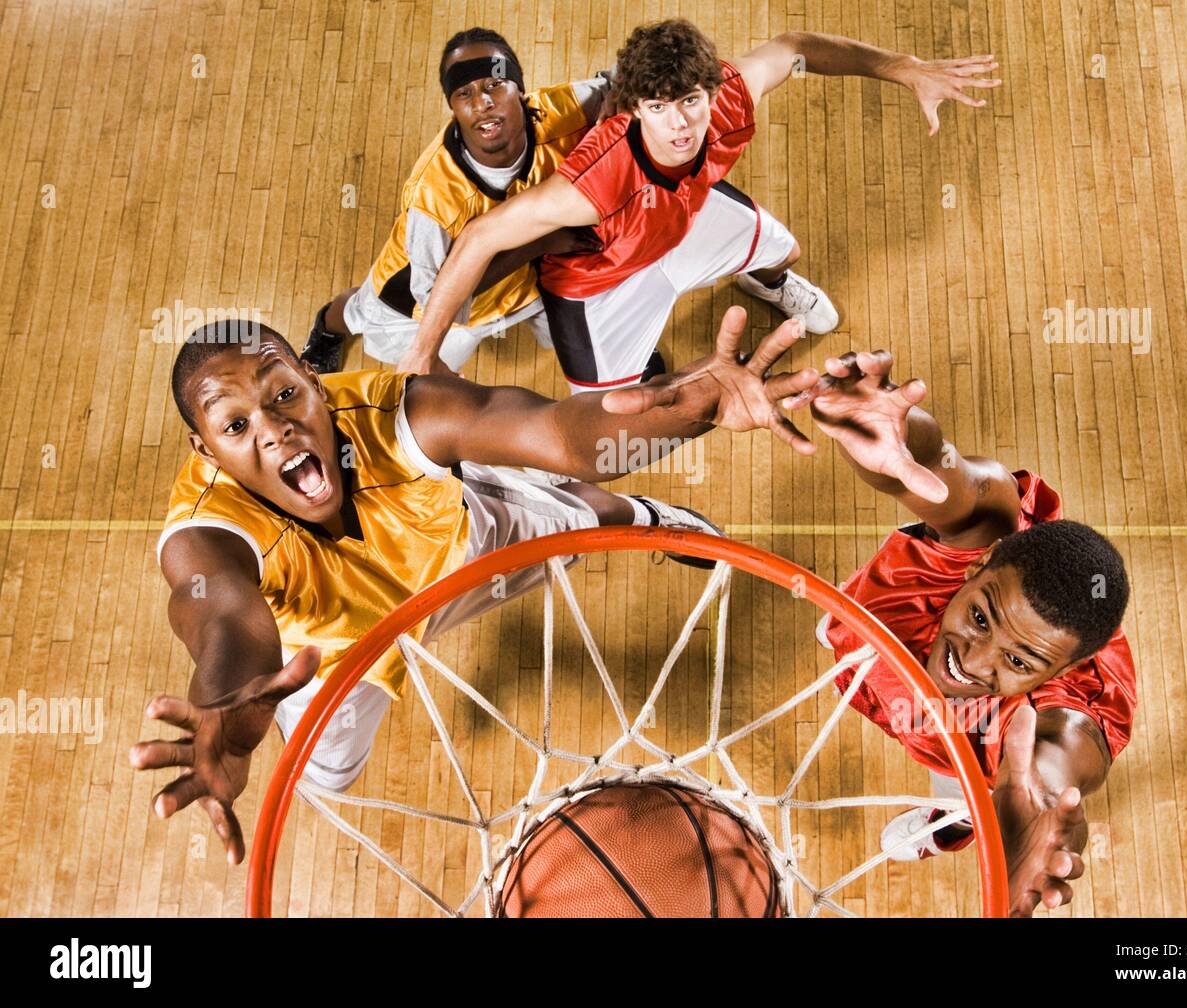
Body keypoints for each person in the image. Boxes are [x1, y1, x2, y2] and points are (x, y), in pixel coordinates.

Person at [131, 310, 820, 864]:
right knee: (327, 775)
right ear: (204, 449)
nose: (276, 428)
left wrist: (691, 409)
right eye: (235, 424)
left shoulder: (406, 412)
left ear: (314, 380)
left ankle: (649, 515)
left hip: (458, 555)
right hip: (342, 655)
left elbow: (566, 434)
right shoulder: (204, 536)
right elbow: (224, 620)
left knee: (590, 516)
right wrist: (231, 714)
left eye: (284, 393)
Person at [614, 349, 1137, 917]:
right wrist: (899, 437)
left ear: (1061, 676)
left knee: (966, 787)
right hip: (881, 643)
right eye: (981, 618)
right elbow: (942, 472)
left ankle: (956, 823)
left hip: (954, 745)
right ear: (974, 569)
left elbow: (1058, 762)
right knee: (856, 631)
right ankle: (852, 641)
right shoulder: (985, 538)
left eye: (1017, 663)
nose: (974, 660)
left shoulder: (1067, 719)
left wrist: (1033, 814)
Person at [398, 19, 1001, 391]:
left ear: (712, 88)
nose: (680, 124)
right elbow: (480, 237)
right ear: (634, 109)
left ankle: (766, 285)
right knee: (611, 409)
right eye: (658, 108)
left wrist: (903, 67)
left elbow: (795, 48)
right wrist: (422, 354)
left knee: (785, 251)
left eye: (689, 100)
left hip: (682, 222)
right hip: (602, 282)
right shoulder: (593, 182)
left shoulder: (733, 94)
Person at [300, 27, 612, 374]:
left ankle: (624, 358)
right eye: (465, 93)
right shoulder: (432, 198)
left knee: (591, 320)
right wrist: (539, 243)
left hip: (531, 279)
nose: (482, 103)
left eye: (495, 84)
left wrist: (621, 95)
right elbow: (440, 296)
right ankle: (327, 328)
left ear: (520, 90)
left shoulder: (562, 110)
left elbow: (630, 77)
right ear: (453, 108)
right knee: (355, 311)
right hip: (420, 301)